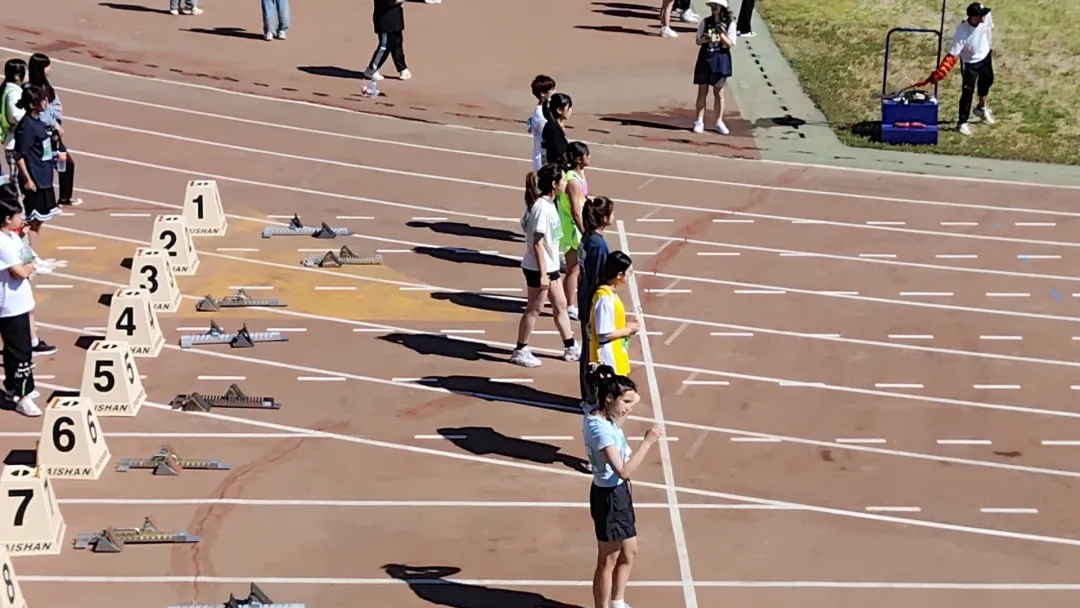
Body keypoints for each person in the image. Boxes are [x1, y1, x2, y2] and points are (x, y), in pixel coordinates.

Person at [583, 365, 662, 608]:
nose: (629, 407)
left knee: (630, 551)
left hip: (619, 493)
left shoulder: (602, 415)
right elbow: (624, 471)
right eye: (625, 402)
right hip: (609, 497)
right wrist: (647, 442)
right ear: (609, 398)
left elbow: (628, 403)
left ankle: (618, 602)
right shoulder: (601, 431)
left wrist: (626, 394)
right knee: (608, 559)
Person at [511, 164, 580, 368]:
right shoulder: (542, 208)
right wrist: (543, 274)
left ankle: (570, 347)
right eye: (563, 179)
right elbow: (537, 243)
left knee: (561, 304)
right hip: (538, 268)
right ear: (554, 184)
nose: (566, 182)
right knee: (534, 309)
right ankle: (520, 350)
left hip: (550, 267)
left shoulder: (549, 204)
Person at [912, 3, 995, 136]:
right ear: (974, 17)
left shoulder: (986, 17)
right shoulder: (962, 32)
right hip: (970, 63)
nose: (984, 17)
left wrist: (989, 47)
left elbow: (988, 29)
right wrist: (941, 72)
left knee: (987, 81)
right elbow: (952, 56)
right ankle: (962, 122)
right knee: (968, 91)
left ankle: (981, 107)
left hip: (985, 55)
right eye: (981, 15)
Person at [0, 183, 42, 417]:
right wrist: (28, 265)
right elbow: (23, 271)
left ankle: (13, 387)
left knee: (15, 350)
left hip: (19, 302)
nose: (21, 218)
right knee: (20, 352)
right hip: (9, 305)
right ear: (7, 219)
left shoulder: (14, 238)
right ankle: (22, 396)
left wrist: (28, 262)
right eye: (17, 215)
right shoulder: (2, 243)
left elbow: (28, 258)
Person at [577, 196, 615, 412]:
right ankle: (591, 396)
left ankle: (588, 394)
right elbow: (598, 277)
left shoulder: (588, 237)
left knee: (588, 352)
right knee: (593, 353)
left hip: (585, 298)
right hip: (592, 304)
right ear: (604, 218)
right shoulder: (598, 246)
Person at [27, 54, 80, 207]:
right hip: (44, 135)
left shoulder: (46, 85)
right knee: (47, 166)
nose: (49, 69)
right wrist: (55, 125)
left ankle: (64, 198)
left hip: (53, 135)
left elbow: (54, 103)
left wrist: (57, 117)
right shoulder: (33, 89)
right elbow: (40, 113)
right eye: (47, 66)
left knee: (66, 164)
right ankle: (42, 200)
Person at [589, 251, 638, 377]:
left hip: (614, 354)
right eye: (629, 272)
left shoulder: (609, 293)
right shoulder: (605, 299)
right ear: (619, 275)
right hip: (609, 358)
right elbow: (604, 333)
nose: (631, 275)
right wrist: (627, 330)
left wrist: (625, 325)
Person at [692, 0, 737, 135]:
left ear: (722, 8)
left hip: (720, 60)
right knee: (702, 91)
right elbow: (698, 40)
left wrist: (721, 34)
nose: (713, 8)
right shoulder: (706, 22)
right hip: (705, 58)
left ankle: (719, 121)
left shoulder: (730, 23)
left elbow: (730, 43)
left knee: (719, 92)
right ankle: (699, 121)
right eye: (712, 6)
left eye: (715, 6)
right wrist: (706, 39)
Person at [557, 142, 590, 322]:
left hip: (576, 225)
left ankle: (570, 301)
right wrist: (585, 233)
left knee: (577, 269)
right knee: (573, 269)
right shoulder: (572, 181)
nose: (589, 158)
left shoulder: (579, 175)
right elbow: (575, 210)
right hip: (572, 228)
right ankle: (569, 306)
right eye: (587, 155)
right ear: (578, 159)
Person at [364, 0, 410, 82]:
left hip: (395, 17)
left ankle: (402, 69)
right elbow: (390, 1)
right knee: (385, 46)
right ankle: (371, 69)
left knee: (397, 43)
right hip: (385, 20)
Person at [1, 59, 27, 185]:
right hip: (14, 142)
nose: (28, 74)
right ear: (17, 76)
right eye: (25, 71)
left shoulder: (12, 90)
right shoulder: (13, 94)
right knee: (16, 178)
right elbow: (17, 116)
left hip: (14, 141)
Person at [527, 75, 556, 172]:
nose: (554, 92)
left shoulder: (546, 110)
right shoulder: (540, 115)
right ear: (543, 93)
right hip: (543, 160)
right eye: (551, 90)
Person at [541, 93, 572, 168]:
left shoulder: (555, 126)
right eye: (568, 108)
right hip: (555, 170)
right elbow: (559, 154)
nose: (570, 110)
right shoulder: (553, 129)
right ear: (559, 110)